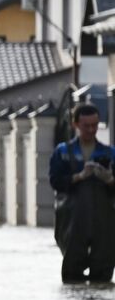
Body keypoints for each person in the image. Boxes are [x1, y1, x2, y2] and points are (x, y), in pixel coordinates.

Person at [49, 103, 115, 283]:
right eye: (86, 126)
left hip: (104, 220)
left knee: (103, 273)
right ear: (75, 124)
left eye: (95, 125)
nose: (91, 130)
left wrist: (109, 179)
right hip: (73, 219)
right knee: (72, 273)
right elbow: (55, 182)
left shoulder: (110, 152)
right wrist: (79, 176)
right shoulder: (62, 152)